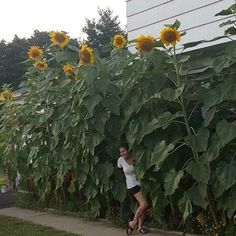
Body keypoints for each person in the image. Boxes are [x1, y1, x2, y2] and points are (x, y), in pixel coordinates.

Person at [117, 143, 149, 235]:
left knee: (142, 206)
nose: (122, 153)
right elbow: (120, 168)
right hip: (132, 185)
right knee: (144, 203)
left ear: (128, 150)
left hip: (142, 183)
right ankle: (133, 223)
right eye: (120, 152)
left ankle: (139, 228)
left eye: (124, 151)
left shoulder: (136, 157)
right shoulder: (120, 160)